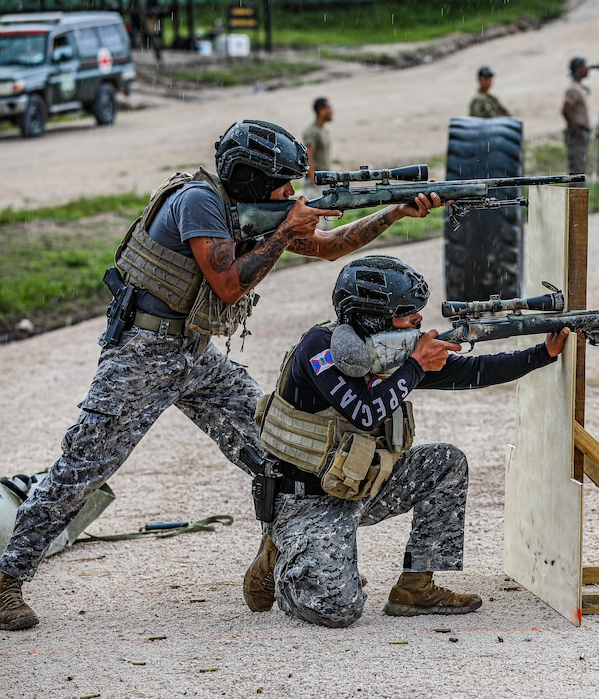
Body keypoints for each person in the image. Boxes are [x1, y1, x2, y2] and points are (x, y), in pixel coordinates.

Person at [0, 120, 443, 631]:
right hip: (143, 353)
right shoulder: (199, 201)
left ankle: (276, 549)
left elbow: (329, 248)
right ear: (250, 179)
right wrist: (286, 230)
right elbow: (227, 285)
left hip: (195, 352)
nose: (290, 194)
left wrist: (395, 211)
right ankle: (9, 583)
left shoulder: (246, 209)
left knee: (277, 445)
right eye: (282, 185)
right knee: (82, 467)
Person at [242, 256, 570, 627]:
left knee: (446, 463)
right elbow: (364, 413)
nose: (418, 321)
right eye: (407, 313)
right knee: (339, 611)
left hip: (362, 484)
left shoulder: (393, 353)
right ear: (373, 317)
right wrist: (414, 367)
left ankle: (416, 586)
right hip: (307, 501)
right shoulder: (319, 349)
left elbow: (475, 371)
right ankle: (280, 554)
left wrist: (542, 354)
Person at [561, 56, 590, 175]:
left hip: (580, 131)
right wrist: (576, 130)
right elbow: (565, 109)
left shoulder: (578, 87)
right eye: (584, 67)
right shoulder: (573, 89)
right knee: (577, 170)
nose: (587, 70)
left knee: (580, 168)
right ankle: (575, 193)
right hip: (577, 133)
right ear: (578, 69)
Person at [301, 96, 333, 197]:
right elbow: (308, 158)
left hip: (324, 180)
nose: (331, 111)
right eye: (329, 108)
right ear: (321, 111)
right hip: (316, 183)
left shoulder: (323, 130)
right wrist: (314, 181)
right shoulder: (312, 131)